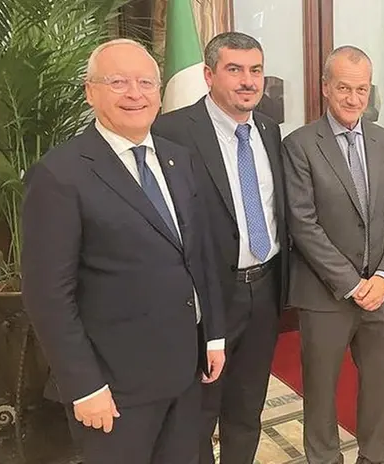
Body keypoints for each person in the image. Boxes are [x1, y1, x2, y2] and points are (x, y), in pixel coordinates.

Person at [21, 39, 225, 464]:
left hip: (184, 374)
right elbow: (48, 296)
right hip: (114, 389)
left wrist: (213, 335)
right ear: (90, 91)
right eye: (118, 82)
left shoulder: (178, 159)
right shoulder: (60, 175)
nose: (135, 93)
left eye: (146, 82)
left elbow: (198, 254)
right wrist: (84, 386)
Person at [152, 32, 287, 464]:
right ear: (209, 75)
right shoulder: (171, 131)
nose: (248, 81)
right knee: (199, 412)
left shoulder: (268, 128)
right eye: (234, 70)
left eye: (255, 70)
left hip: (265, 289)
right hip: (207, 296)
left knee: (248, 406)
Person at [281, 45, 384, 464]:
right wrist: (352, 284)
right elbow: (303, 224)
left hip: (380, 292)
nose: (354, 99)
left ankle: (375, 456)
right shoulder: (299, 145)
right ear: (324, 89)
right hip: (325, 296)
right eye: (344, 88)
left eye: (361, 89)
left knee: (377, 386)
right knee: (320, 391)